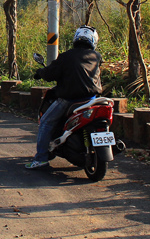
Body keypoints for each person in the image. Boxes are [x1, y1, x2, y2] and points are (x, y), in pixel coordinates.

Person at [26, 25, 103, 169]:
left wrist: (40, 72)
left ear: (76, 38)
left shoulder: (66, 56)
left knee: (46, 122)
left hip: (70, 100)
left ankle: (41, 158)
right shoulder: (97, 57)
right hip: (92, 99)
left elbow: (50, 74)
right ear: (94, 41)